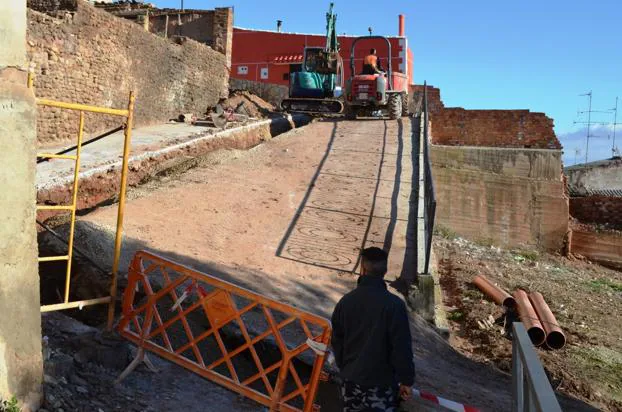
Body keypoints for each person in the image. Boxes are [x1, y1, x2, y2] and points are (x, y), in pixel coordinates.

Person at [331, 247, 415, 411]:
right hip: (381, 386)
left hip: (350, 380)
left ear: (362, 269)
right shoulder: (395, 306)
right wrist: (407, 380)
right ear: (385, 271)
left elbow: (336, 340)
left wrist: (346, 368)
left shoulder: (346, 302)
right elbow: (401, 348)